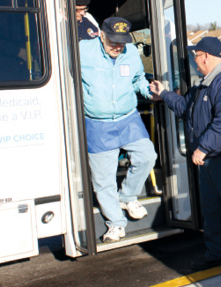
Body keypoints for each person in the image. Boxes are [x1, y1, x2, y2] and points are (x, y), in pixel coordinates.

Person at [149, 37, 221, 280]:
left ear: (206, 57)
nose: (195, 62)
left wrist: (203, 148)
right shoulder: (204, 86)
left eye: (196, 57)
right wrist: (164, 94)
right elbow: (185, 108)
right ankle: (216, 255)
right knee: (212, 211)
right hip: (210, 160)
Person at [80, 17, 159, 243]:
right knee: (103, 180)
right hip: (98, 123)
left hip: (128, 119)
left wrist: (149, 91)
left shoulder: (131, 52)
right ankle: (115, 224)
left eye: (122, 42)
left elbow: (138, 79)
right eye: (113, 41)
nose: (118, 46)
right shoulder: (82, 51)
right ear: (101, 35)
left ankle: (127, 196)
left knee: (147, 156)